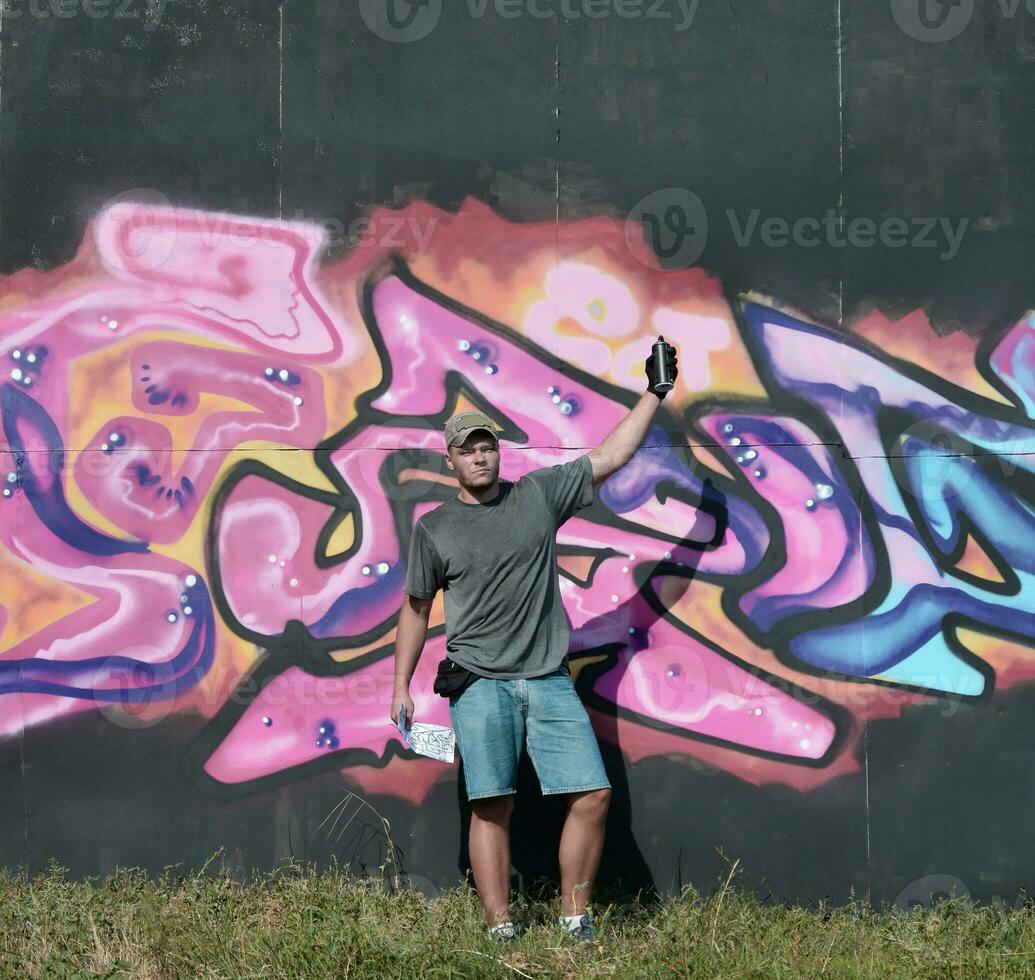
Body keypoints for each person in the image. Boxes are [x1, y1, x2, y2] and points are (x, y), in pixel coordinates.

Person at [390, 340, 679, 943]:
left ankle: (574, 919)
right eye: (468, 449)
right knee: (492, 804)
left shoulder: (538, 496)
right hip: (479, 685)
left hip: (548, 679)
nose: (480, 456)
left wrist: (654, 394)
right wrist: (401, 687)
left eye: (487, 444)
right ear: (451, 461)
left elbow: (610, 456)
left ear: (499, 452)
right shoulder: (435, 529)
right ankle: (501, 929)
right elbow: (416, 610)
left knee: (593, 795)